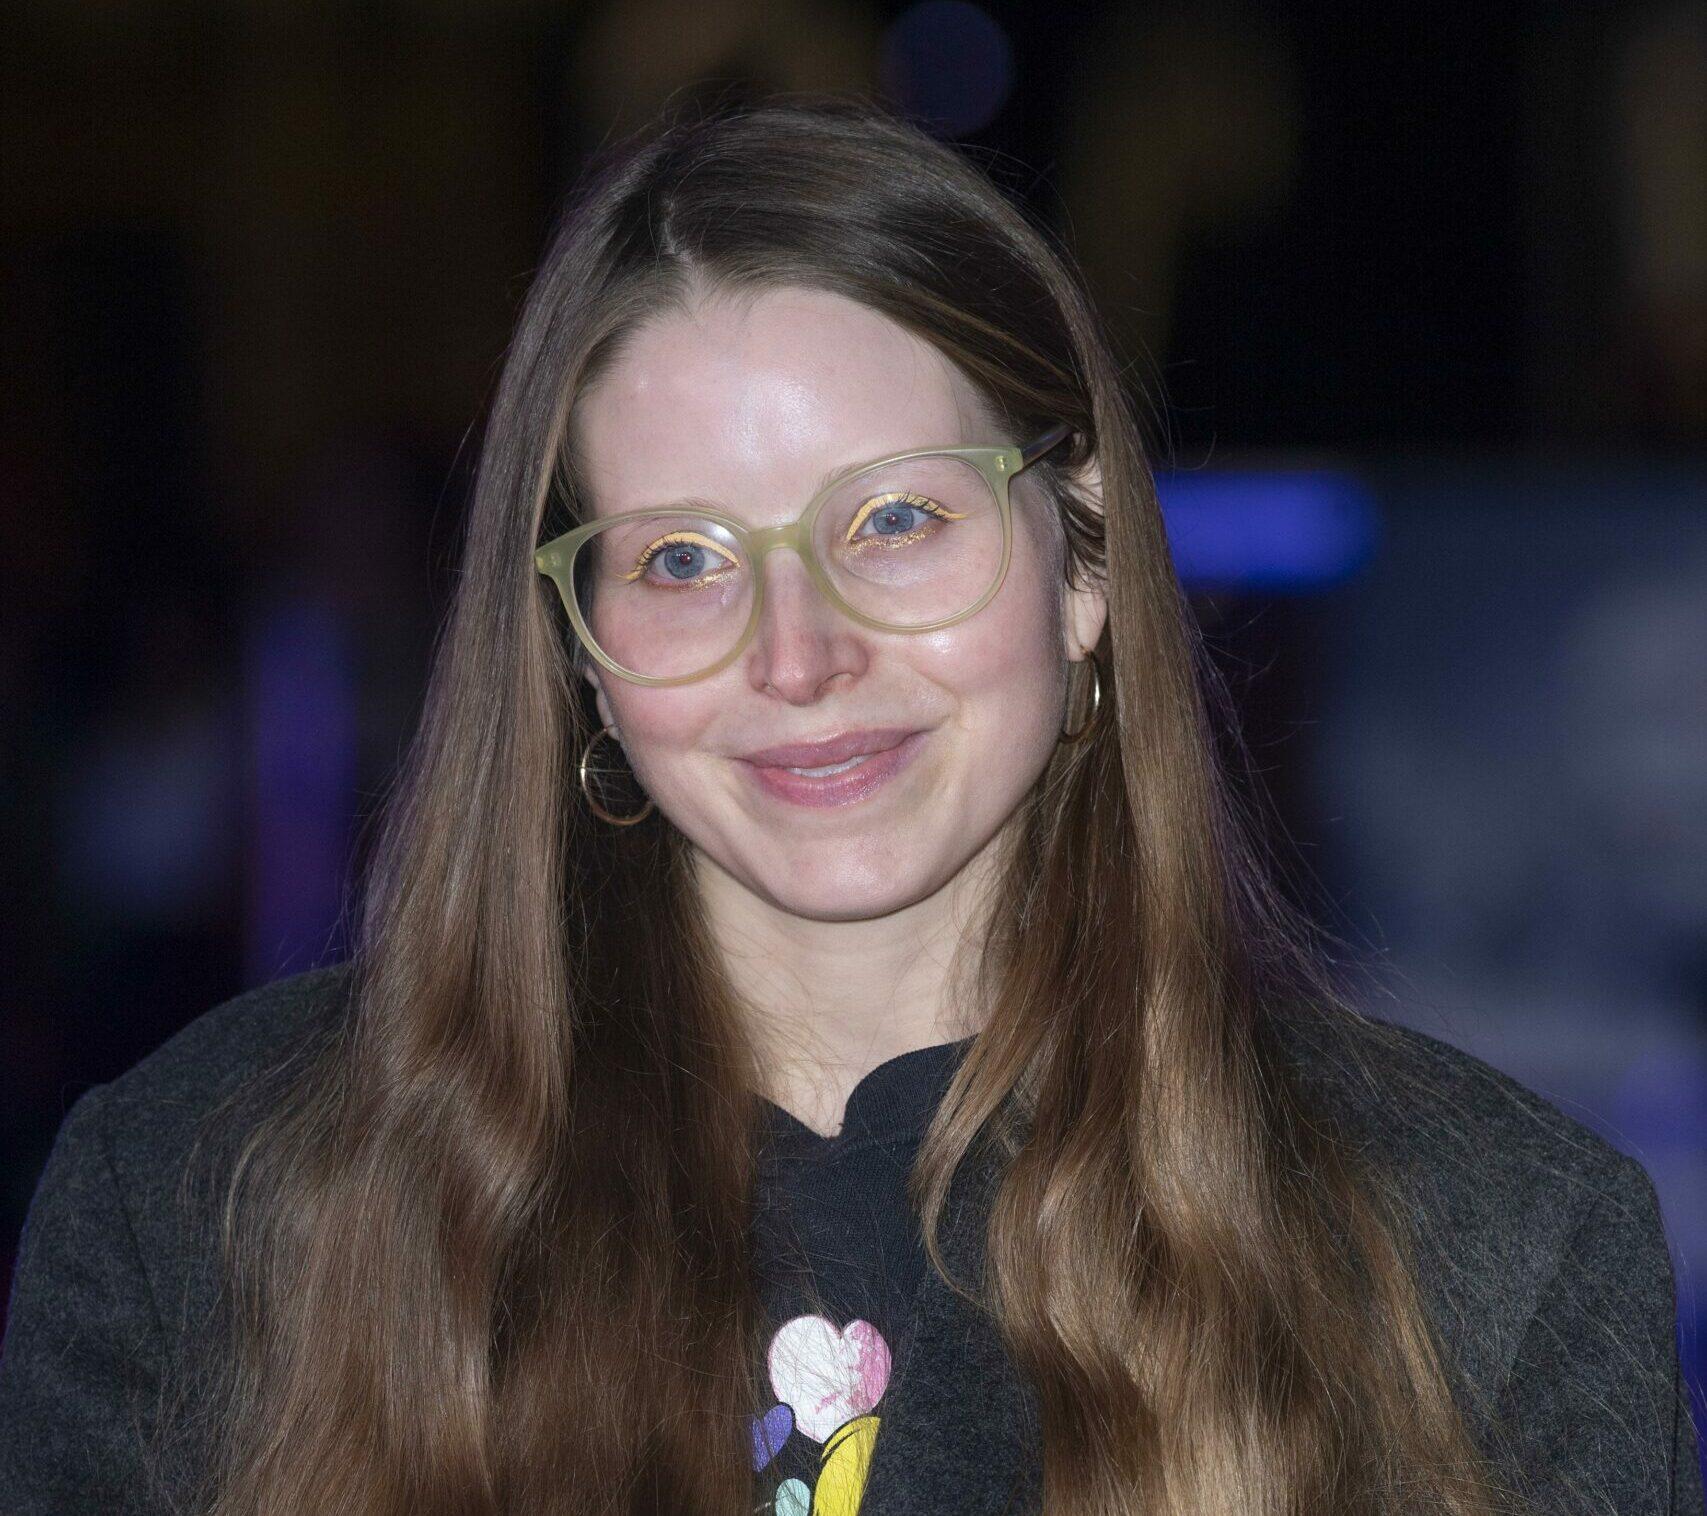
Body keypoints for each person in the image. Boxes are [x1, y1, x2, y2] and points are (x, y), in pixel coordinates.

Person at [1, 95, 1701, 1516]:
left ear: (1084, 552)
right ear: (582, 649)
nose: (798, 655)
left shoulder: (1484, 1252)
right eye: (681, 559)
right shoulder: (204, 1208)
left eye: (894, 521)